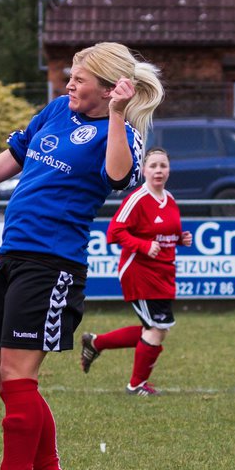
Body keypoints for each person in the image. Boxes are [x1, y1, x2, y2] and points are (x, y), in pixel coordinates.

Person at [0, 42, 164, 470]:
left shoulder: (123, 135)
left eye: (80, 78)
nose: (69, 84)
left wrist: (114, 115)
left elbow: (115, 175)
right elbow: (13, 156)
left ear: (109, 89)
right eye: (70, 75)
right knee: (9, 382)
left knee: (19, 379)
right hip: (12, 257)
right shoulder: (54, 111)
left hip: (53, 266)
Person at [80, 147, 192, 396]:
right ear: (143, 170)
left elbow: (163, 232)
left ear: (169, 169)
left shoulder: (169, 199)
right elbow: (114, 232)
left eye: (163, 166)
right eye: (153, 166)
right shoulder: (137, 199)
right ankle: (136, 385)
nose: (158, 171)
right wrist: (142, 245)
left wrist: (179, 238)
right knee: (156, 329)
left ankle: (96, 342)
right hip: (139, 272)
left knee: (153, 328)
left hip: (163, 272)